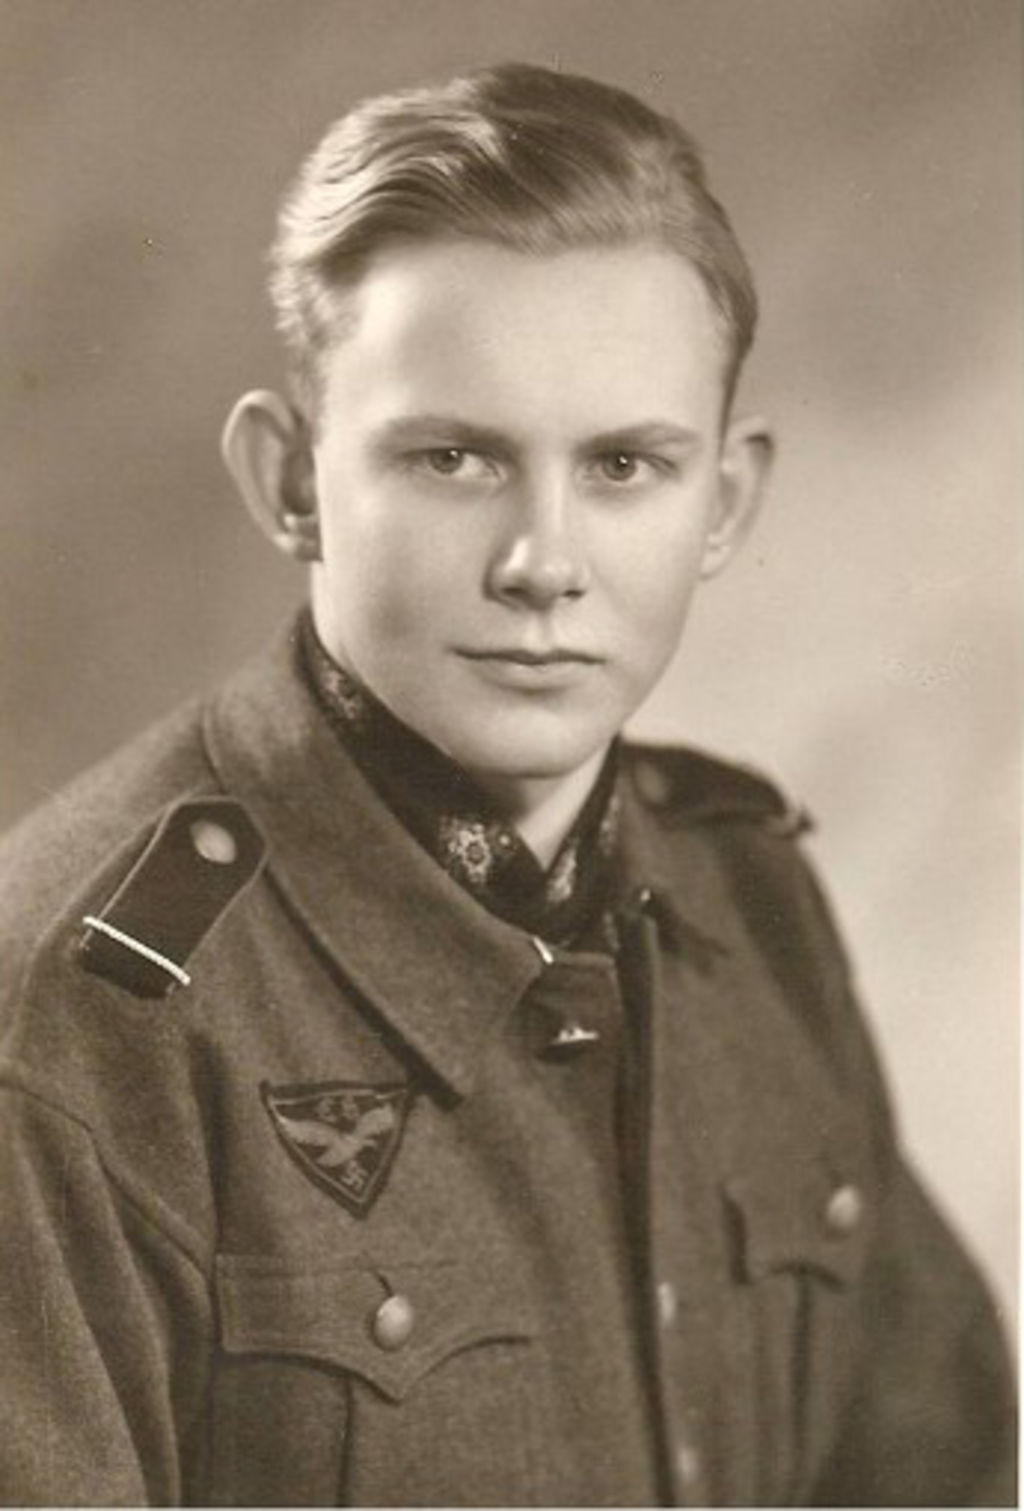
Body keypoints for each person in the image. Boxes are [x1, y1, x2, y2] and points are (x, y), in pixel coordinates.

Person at [0, 61, 1014, 1508]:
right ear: (292, 482)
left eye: (624, 466)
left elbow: (941, 1472)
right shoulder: (81, 1023)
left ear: (724, 506)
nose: (544, 563)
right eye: (454, 457)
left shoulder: (743, 896)